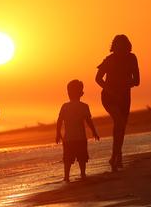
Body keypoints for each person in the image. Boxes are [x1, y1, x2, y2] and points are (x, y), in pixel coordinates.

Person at [95, 34, 140, 171]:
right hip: (109, 97)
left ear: (128, 47)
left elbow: (137, 81)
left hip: (125, 97)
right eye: (118, 48)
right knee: (119, 122)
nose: (120, 51)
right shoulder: (109, 60)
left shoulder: (132, 58)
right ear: (114, 47)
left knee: (121, 127)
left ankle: (117, 156)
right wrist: (110, 90)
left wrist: (126, 85)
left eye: (123, 48)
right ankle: (114, 157)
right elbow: (97, 78)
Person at [56, 80, 100, 182]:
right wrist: (94, 132)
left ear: (68, 93)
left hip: (68, 139)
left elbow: (59, 121)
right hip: (80, 138)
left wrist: (58, 133)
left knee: (67, 159)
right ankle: (82, 174)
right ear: (81, 93)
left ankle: (66, 177)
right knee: (82, 158)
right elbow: (89, 121)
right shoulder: (84, 106)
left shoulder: (65, 106)